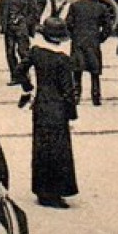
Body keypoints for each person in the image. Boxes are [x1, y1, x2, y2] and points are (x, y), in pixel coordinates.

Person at [18, 16, 79, 209]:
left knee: (41, 147)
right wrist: (72, 114)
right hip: (57, 109)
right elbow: (68, 91)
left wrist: (28, 88)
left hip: (41, 105)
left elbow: (19, 70)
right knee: (58, 151)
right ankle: (54, 193)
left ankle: (41, 190)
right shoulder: (62, 59)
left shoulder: (36, 52)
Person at [65, 0, 111, 106]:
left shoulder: (75, 6)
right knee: (94, 71)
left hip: (78, 41)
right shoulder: (101, 7)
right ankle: (96, 97)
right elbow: (108, 27)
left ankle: (76, 96)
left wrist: (73, 36)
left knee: (77, 69)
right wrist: (100, 38)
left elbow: (68, 24)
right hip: (93, 42)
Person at [0, 0, 39, 86]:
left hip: (22, 28)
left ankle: (25, 75)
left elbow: (34, 12)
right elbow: (0, 9)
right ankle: (15, 76)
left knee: (23, 52)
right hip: (8, 27)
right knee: (9, 52)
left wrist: (26, 23)